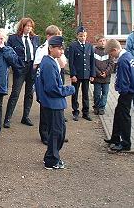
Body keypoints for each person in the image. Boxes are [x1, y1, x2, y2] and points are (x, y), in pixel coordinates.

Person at [36, 36, 75, 170]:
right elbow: (52, 88)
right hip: (52, 103)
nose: (61, 51)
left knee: (58, 131)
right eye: (59, 48)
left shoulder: (50, 62)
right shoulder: (48, 64)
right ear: (51, 48)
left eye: (62, 48)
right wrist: (69, 89)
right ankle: (51, 160)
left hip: (52, 103)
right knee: (56, 133)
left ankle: (51, 156)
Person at [33, 25, 67, 145]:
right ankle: (45, 134)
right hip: (45, 82)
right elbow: (36, 67)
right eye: (54, 36)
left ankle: (57, 133)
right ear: (48, 36)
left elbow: (63, 64)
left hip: (56, 76)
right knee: (45, 111)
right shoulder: (42, 49)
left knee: (55, 112)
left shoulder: (58, 48)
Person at [104, 39, 134, 152]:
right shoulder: (128, 55)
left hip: (127, 92)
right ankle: (115, 138)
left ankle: (125, 143)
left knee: (124, 116)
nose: (111, 56)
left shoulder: (123, 60)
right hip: (129, 90)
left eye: (111, 53)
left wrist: (120, 89)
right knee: (118, 113)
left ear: (114, 50)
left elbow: (124, 78)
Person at [4, 18, 40, 128]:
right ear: (22, 26)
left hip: (32, 68)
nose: (29, 28)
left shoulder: (35, 38)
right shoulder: (13, 38)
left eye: (30, 26)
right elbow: (9, 54)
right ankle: (7, 118)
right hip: (20, 68)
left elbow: (37, 53)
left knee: (29, 94)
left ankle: (25, 117)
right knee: (15, 93)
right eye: (27, 26)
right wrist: (16, 66)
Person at [67, 26, 95, 121]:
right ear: (77, 36)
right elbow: (71, 62)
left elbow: (92, 61)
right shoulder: (73, 46)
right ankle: (75, 111)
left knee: (86, 94)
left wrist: (92, 74)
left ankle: (85, 112)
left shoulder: (89, 46)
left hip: (86, 74)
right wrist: (73, 74)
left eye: (84, 36)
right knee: (75, 93)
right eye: (81, 36)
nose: (83, 38)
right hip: (77, 74)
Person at [92, 34, 114, 115]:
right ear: (97, 42)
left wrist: (106, 72)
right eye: (100, 41)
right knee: (97, 93)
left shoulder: (109, 51)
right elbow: (92, 64)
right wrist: (98, 73)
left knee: (105, 93)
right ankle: (96, 107)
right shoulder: (94, 51)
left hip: (106, 77)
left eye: (104, 41)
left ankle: (102, 108)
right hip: (97, 77)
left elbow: (111, 64)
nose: (102, 42)